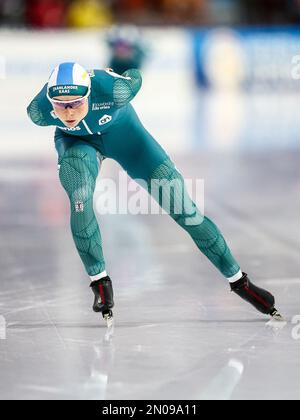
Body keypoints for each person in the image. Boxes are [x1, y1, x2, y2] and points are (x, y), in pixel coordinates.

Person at [27, 62, 282, 323]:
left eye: (76, 103)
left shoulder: (114, 91)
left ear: (89, 95)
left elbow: (134, 75)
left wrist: (121, 72)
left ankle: (241, 283)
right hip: (78, 145)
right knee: (80, 199)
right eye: (60, 105)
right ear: (50, 100)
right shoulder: (39, 111)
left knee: (186, 212)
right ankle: (99, 281)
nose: (68, 113)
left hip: (129, 140)